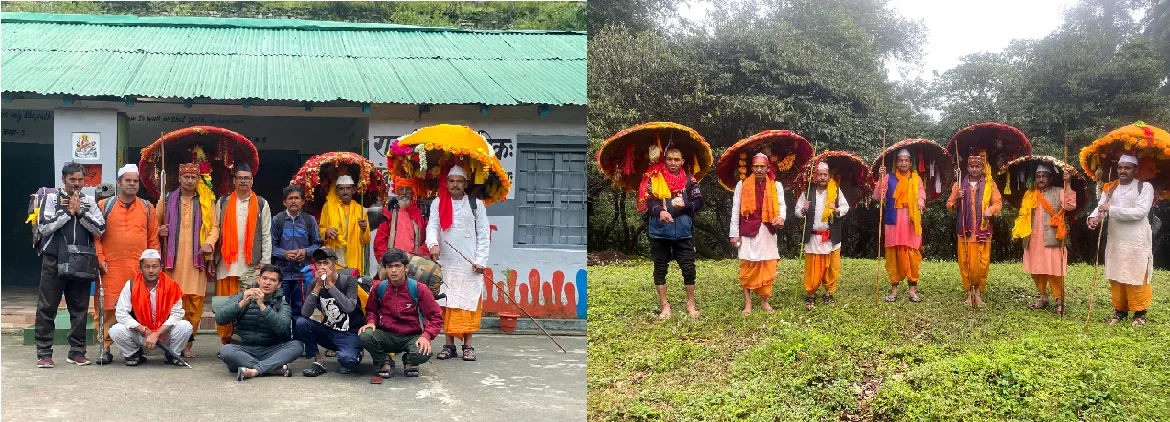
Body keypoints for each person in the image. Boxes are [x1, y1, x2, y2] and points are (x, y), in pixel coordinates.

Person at [34, 162, 106, 368]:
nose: (76, 184)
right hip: (54, 260)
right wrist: (67, 211)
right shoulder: (50, 199)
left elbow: (100, 228)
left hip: (82, 259)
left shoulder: (90, 201)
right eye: (72, 179)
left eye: (80, 180)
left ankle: (77, 351)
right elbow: (44, 227)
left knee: (80, 309)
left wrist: (81, 213)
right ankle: (44, 353)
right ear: (63, 179)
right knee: (47, 307)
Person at [93, 164, 160, 365]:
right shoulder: (104, 205)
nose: (131, 184)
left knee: (138, 310)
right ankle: (104, 348)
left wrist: (153, 266)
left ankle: (134, 349)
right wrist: (100, 259)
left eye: (135, 181)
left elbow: (153, 239)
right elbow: (95, 236)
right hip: (110, 268)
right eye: (127, 180)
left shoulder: (148, 207)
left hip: (138, 270)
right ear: (119, 182)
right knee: (106, 308)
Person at [427, 164, 490, 361]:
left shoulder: (476, 204)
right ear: (447, 183)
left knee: (468, 302)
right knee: (448, 302)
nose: (455, 184)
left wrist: (480, 261)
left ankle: (468, 346)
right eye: (452, 181)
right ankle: (448, 345)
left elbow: (484, 234)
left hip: (470, 264)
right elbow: (432, 226)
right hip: (446, 262)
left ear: (465, 184)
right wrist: (433, 244)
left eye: (459, 181)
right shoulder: (438, 203)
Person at [158, 160, 220, 358]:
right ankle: (171, 343)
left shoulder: (206, 201)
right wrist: (160, 230)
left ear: (198, 179)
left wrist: (209, 242)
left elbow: (215, 227)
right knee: (173, 305)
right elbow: (153, 224)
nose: (190, 180)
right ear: (179, 178)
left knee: (194, 306)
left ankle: (187, 345)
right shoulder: (166, 200)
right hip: (172, 264)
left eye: (194, 177)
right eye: (186, 177)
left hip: (196, 262)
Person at [1088, 154, 1155, 327]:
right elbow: (1101, 207)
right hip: (1116, 239)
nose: (1123, 171)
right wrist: (1093, 218)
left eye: (1127, 168)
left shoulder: (1144, 187)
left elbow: (1140, 212)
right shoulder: (1110, 188)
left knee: (1136, 274)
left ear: (1136, 170)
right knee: (1117, 274)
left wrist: (1111, 208)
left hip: (1137, 240)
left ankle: (1140, 313)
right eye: (1120, 167)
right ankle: (1120, 311)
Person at [361, 248, 443, 383]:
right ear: (385, 269)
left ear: (406, 268)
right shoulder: (379, 288)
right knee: (365, 335)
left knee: (423, 352)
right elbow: (372, 310)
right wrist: (371, 322)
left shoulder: (419, 289)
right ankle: (385, 361)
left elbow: (436, 316)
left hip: (411, 337)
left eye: (397, 266)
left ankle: (409, 360)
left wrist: (426, 336)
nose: (393, 270)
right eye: (389, 266)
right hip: (386, 335)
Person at [213, 164, 272, 344]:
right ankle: (225, 341)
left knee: (248, 305)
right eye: (240, 178)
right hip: (226, 264)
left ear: (252, 181)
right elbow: (215, 230)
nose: (243, 181)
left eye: (247, 178)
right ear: (234, 181)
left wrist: (265, 260)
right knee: (226, 305)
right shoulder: (222, 202)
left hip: (251, 265)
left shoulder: (261, 203)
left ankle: (244, 340)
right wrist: (211, 259)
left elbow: (266, 234)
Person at [214, 264, 302, 381]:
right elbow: (220, 319)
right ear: (258, 280)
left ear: (279, 285)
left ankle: (254, 370)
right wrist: (242, 303)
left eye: (273, 280)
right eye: (264, 278)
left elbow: (281, 327)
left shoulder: (282, 303)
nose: (267, 282)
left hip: (270, 349)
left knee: (297, 346)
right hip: (243, 349)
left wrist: (262, 306)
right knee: (226, 350)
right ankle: (272, 368)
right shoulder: (242, 295)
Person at [645, 147, 704, 320]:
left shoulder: (690, 180)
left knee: (688, 268)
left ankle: (690, 304)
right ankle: (665, 306)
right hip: (659, 231)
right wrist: (659, 211)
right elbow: (649, 199)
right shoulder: (655, 176)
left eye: (676, 159)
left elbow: (699, 202)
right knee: (660, 268)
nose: (673, 162)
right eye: (669, 159)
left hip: (684, 231)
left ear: (682, 161)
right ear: (664, 160)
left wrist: (685, 206)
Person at [108, 249, 192, 366]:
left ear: (161, 267)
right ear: (140, 268)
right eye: (147, 267)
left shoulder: (171, 286)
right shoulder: (131, 285)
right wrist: (145, 330)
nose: (151, 271)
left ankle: (172, 354)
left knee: (185, 326)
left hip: (164, 334)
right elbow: (121, 313)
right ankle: (134, 354)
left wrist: (157, 333)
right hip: (140, 335)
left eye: (155, 266)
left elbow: (177, 314)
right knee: (116, 330)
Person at [1013, 164, 1076, 316]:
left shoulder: (1059, 191)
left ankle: (1059, 301)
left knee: (1055, 270)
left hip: (1053, 237)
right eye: (1038, 176)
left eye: (1044, 176)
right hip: (1033, 238)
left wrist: (1067, 183)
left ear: (1051, 178)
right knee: (1036, 270)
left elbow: (1070, 205)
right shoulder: (1029, 194)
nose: (1041, 179)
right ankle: (1043, 297)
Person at [728, 153, 784, 315]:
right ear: (751, 168)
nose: (759, 169)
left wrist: (780, 217)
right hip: (747, 230)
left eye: (762, 166)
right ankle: (748, 303)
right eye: (756, 166)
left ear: (768, 168)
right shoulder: (742, 184)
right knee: (747, 266)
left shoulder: (776, 185)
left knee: (766, 264)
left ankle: (764, 301)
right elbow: (735, 210)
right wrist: (734, 233)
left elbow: (781, 205)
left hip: (767, 230)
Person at [946, 150, 1002, 308]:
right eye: (972, 166)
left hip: (983, 231)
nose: (975, 169)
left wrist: (991, 210)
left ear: (983, 167)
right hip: (965, 232)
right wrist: (957, 198)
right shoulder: (958, 185)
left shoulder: (990, 185)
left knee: (983, 264)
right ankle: (969, 293)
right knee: (966, 263)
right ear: (967, 167)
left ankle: (978, 293)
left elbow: (998, 203)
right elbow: (950, 206)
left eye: (978, 166)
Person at [296, 248, 364, 376]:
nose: (322, 267)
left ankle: (355, 354)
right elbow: (305, 313)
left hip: (350, 334)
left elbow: (349, 307)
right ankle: (318, 360)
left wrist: (330, 285)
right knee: (301, 323)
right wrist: (317, 287)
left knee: (347, 361)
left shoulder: (349, 281)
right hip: (329, 332)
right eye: (319, 263)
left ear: (335, 263)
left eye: (326, 263)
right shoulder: (313, 284)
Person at [794, 161, 850, 310]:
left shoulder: (836, 191)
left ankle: (828, 293)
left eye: (825, 174)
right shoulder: (807, 192)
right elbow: (797, 212)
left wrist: (836, 209)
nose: (823, 177)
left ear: (829, 176)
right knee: (812, 268)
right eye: (820, 174)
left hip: (831, 236)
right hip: (813, 237)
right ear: (815, 176)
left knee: (831, 267)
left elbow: (846, 207)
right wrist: (803, 210)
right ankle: (811, 295)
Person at [874, 149, 926, 302]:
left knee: (912, 254)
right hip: (893, 220)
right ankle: (894, 289)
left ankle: (912, 289)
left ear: (910, 163)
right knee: (893, 254)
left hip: (911, 221)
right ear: (896, 162)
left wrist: (921, 202)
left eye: (906, 160)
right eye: (900, 160)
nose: (903, 163)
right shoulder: (888, 177)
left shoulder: (916, 179)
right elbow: (878, 197)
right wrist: (881, 178)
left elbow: (921, 194)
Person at [271, 185, 322, 325]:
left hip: (303, 274)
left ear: (303, 201)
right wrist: (284, 254)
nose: (293, 201)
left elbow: (317, 244)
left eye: (297, 198)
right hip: (282, 274)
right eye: (290, 198)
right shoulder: (277, 220)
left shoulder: (309, 220)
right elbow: (271, 247)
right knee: (281, 309)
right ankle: (285, 343)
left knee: (301, 310)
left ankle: (300, 343)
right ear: (284, 202)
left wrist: (306, 251)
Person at [320, 174, 370, 271]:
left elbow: (366, 240)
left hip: (353, 259)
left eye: (348, 188)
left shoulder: (361, 210)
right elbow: (320, 230)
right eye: (341, 189)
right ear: (336, 191)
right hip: (333, 258)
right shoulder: (328, 207)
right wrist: (326, 231)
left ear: (354, 190)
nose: (345, 191)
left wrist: (364, 228)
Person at [375, 177, 430, 260]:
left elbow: (430, 239)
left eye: (408, 189)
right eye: (401, 189)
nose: (404, 192)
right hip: (392, 263)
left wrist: (418, 257)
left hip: (416, 263)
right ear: (397, 191)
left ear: (413, 191)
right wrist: (385, 261)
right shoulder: (389, 211)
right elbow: (380, 241)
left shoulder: (423, 211)